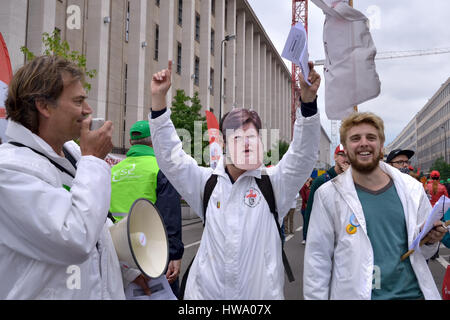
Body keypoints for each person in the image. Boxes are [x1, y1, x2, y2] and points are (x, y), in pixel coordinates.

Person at [148, 60, 321, 299]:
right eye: (238, 137)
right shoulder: (206, 183)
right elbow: (170, 157)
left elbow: (303, 154)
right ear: (223, 142)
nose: (247, 143)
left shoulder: (274, 183)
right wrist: (158, 104)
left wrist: (308, 103)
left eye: (252, 136)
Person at [0, 55, 125, 299]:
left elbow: (96, 230)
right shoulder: (8, 170)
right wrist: (94, 161)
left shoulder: (74, 155)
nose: (88, 111)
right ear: (44, 106)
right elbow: (75, 239)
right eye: (79, 101)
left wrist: (127, 269)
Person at [304, 112, 446, 300]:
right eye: (355, 138)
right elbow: (317, 262)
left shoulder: (412, 189)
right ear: (345, 149)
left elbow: (424, 251)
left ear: (381, 147)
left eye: (371, 137)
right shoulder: (328, 195)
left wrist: (430, 239)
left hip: (413, 295)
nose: (364, 143)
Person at [109, 120, 184, 298]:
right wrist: (174, 255)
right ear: (154, 142)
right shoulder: (160, 168)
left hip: (120, 256)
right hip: (153, 253)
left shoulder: (112, 171)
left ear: (130, 142)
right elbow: (169, 215)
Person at [303, 143, 349, 241]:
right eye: (342, 155)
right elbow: (310, 210)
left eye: (349, 155)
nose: (345, 159)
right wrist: (308, 236)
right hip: (324, 236)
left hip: (346, 237)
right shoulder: (321, 180)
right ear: (335, 157)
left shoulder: (354, 181)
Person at [299, 177, 313, 244]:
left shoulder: (312, 187)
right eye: (307, 180)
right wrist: (306, 187)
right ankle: (304, 238)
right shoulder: (304, 188)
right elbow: (304, 197)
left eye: (309, 180)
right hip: (304, 209)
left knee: (312, 224)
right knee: (305, 223)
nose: (308, 182)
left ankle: (310, 238)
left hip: (311, 209)